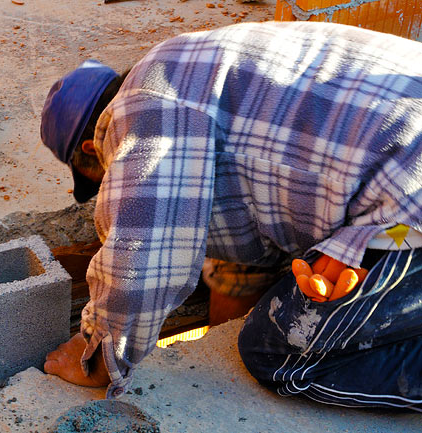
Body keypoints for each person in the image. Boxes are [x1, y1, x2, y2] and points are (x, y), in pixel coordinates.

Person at [39, 21, 422, 410]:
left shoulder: (140, 115)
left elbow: (144, 254)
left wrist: (96, 352)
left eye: (98, 177)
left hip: (411, 203)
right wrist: (218, 327)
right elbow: (242, 215)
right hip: (401, 160)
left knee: (274, 349)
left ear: (92, 147)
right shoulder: (188, 69)